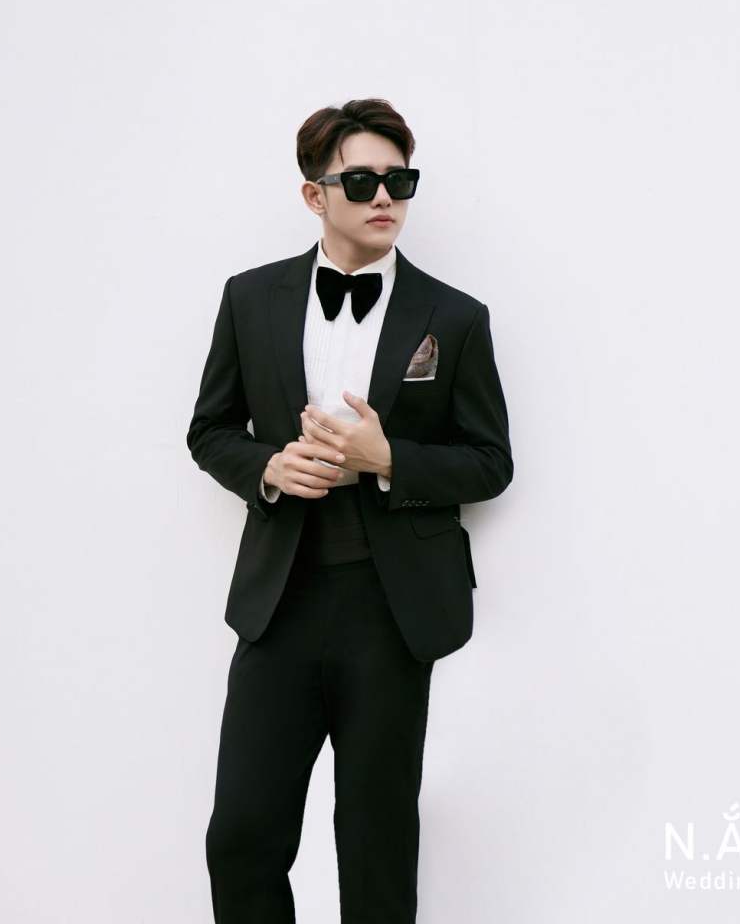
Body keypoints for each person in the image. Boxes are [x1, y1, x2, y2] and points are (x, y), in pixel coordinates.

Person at [186, 98, 513, 923]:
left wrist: (388, 459)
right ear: (314, 195)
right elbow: (209, 430)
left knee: (376, 840)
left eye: (400, 180)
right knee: (242, 834)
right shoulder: (250, 298)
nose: (385, 198)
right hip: (280, 597)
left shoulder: (454, 317)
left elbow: (491, 462)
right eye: (361, 181)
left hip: (391, 605)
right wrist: (268, 466)